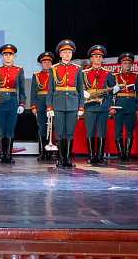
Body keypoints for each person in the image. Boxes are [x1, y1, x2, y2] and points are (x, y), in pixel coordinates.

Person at [45, 40, 84, 168]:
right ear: (60, 54)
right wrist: (49, 106)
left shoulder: (77, 68)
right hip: (58, 103)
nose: (67, 54)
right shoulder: (54, 68)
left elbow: (80, 89)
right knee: (59, 132)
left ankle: (68, 158)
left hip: (73, 103)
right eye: (65, 52)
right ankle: (61, 158)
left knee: (70, 133)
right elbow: (50, 89)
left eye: (69, 52)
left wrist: (81, 106)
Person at [82, 45, 118, 164]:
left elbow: (111, 92)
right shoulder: (84, 73)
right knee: (90, 131)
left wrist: (111, 102)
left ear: (102, 59)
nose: (98, 58)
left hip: (103, 105)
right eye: (95, 56)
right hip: (89, 105)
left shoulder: (108, 73)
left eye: (100, 57)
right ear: (91, 59)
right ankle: (92, 156)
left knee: (102, 131)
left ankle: (100, 156)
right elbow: (80, 88)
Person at [112, 52, 138, 161]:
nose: (127, 65)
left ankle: (128, 154)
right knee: (118, 131)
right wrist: (111, 107)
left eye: (129, 63)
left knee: (129, 131)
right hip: (119, 107)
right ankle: (121, 154)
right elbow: (111, 94)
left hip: (131, 106)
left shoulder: (136, 76)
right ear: (121, 64)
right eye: (125, 63)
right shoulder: (115, 77)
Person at [30, 51, 54, 162]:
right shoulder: (36, 76)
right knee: (42, 129)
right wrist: (33, 106)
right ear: (41, 64)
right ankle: (42, 152)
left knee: (51, 128)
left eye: (49, 62)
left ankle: (50, 153)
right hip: (40, 104)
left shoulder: (55, 75)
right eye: (45, 62)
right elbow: (33, 92)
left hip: (52, 104)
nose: (47, 64)